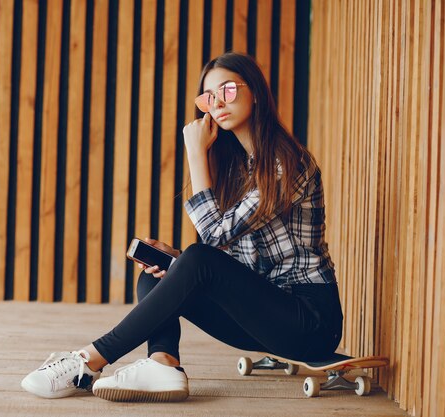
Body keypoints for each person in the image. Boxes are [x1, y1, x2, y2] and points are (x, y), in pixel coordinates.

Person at [20, 52, 343, 402]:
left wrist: (194, 152)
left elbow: (213, 239)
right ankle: (163, 363)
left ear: (257, 94)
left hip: (309, 321)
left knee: (198, 258)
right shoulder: (241, 170)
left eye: (229, 90)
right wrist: (176, 261)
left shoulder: (287, 163)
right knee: (156, 275)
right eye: (208, 97)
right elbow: (231, 256)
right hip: (264, 319)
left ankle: (89, 360)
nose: (217, 103)